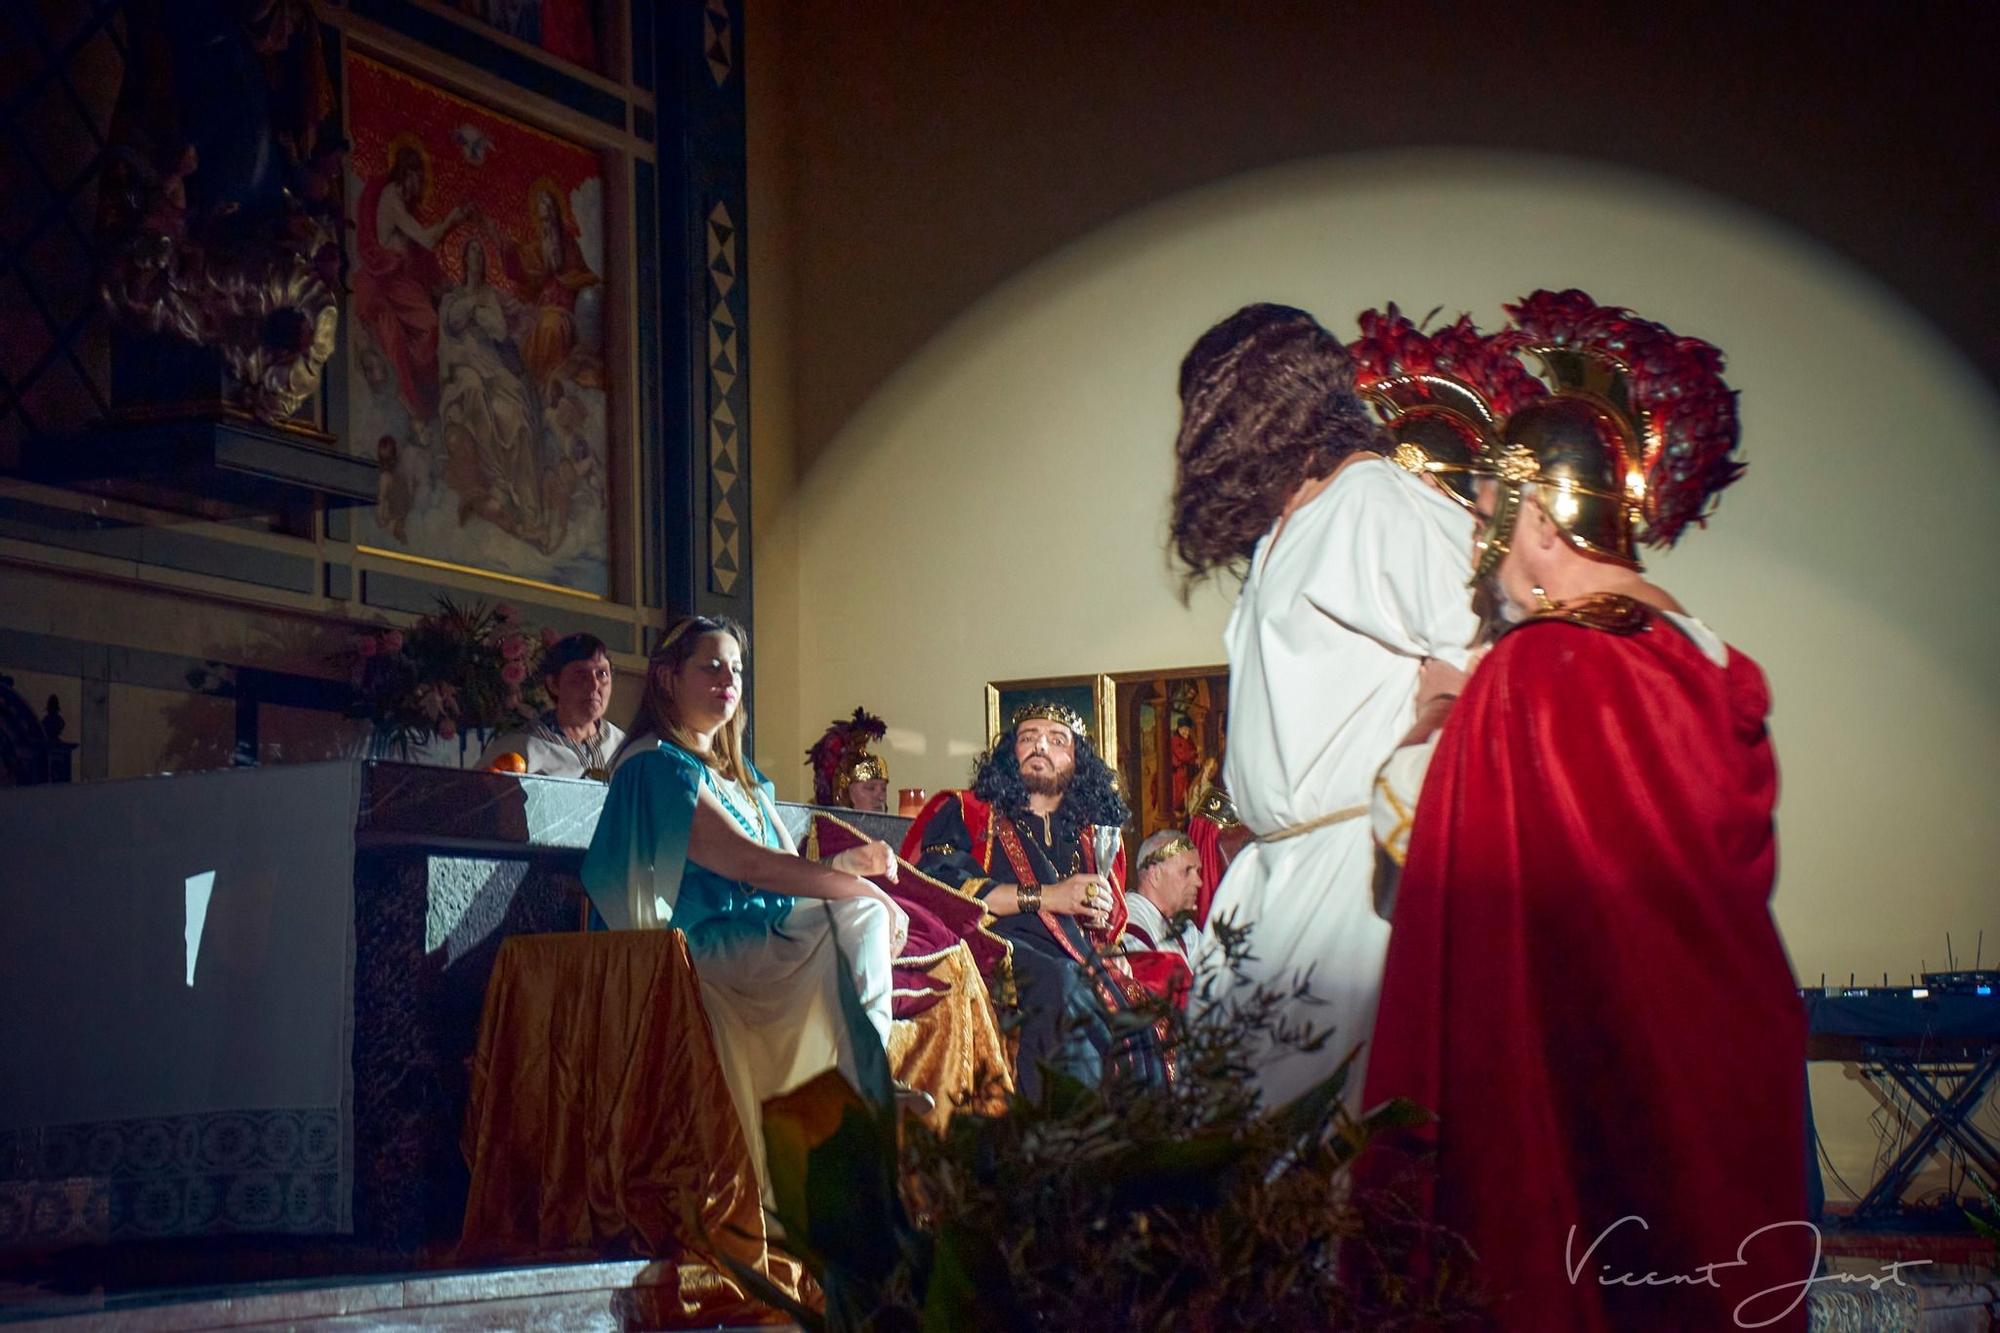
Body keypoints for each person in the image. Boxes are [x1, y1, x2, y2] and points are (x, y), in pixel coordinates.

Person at [1360, 290, 1808, 1330]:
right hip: (1724, 1048)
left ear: (1537, 512)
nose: (1476, 540)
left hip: (1599, 1072)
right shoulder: (1697, 650)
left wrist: (1431, 718)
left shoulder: (1546, 665)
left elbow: (1425, 835)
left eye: (1481, 513)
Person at [1167, 302, 1483, 1110]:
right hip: (1273, 875)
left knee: (1321, 1153)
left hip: (1351, 883)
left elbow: (1496, 636)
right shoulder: (1284, 526)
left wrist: (1436, 714)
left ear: (1273, 409)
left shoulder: (1373, 501)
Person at [581, 616, 919, 1201]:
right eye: (710, 666)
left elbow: (787, 873)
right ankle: (863, 1088)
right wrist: (867, 895)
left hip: (764, 935)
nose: (727, 679)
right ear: (667, 679)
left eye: (735, 668)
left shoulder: (742, 777)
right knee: (862, 915)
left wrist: (850, 870)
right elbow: (749, 865)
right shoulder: (654, 765)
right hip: (705, 949)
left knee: (860, 917)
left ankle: (859, 1084)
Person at [901, 704, 1168, 1098]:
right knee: (1063, 983)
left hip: (1076, 960)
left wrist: (1101, 917)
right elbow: (941, 889)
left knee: (1143, 1009)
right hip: (996, 951)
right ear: (1012, 753)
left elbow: (1106, 929)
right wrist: (1049, 897)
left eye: (1056, 740)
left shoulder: (1089, 836)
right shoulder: (966, 812)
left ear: (1078, 761)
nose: (1040, 745)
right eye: (1028, 738)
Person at [478, 632, 625, 779]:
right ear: (554, 684)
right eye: (580, 674)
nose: (594, 685)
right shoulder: (520, 747)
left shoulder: (624, 747)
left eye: (602, 674)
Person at [1122, 830, 1203, 1005]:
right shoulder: (1127, 925)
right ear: (1155, 874)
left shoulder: (1185, 928)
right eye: (1187, 871)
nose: (1199, 882)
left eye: (1198, 871)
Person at [805, 707, 892, 812]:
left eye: (883, 789)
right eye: (870, 788)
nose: (881, 797)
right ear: (843, 793)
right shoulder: (816, 827)